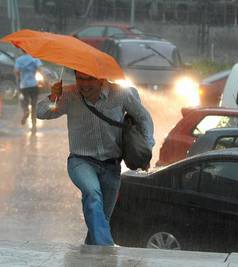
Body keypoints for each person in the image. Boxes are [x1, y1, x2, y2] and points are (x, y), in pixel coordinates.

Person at [37, 70, 154, 246]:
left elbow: (144, 118)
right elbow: (41, 112)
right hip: (80, 162)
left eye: (89, 79)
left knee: (101, 220)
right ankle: (106, 250)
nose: (83, 84)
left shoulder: (121, 94)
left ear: (101, 78)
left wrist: (147, 147)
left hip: (112, 166)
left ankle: (91, 255)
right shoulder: (69, 95)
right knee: (92, 194)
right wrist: (53, 96)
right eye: (79, 79)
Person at [14, 50, 44, 130]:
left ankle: (26, 111)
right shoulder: (35, 58)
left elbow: (16, 72)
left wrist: (19, 79)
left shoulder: (19, 60)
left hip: (24, 85)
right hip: (34, 85)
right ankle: (34, 126)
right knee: (34, 105)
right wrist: (41, 80)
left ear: (22, 50)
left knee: (24, 101)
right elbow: (40, 69)